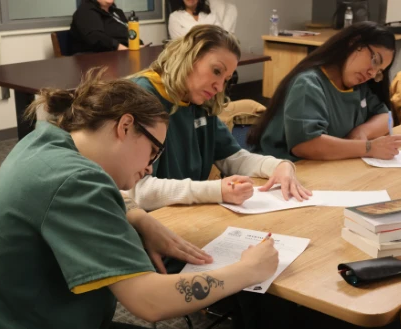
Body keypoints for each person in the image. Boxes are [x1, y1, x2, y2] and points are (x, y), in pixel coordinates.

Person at [0, 67, 278, 329]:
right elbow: (149, 302)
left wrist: (137, 217)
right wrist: (249, 270)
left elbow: (74, 199)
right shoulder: (76, 181)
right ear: (125, 126)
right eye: (154, 151)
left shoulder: (45, 143)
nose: (149, 167)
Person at [126, 25, 311, 212]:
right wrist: (215, 190)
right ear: (190, 57)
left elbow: (232, 159)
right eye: (216, 71)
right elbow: (135, 192)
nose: (219, 87)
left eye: (226, 79)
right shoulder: (139, 97)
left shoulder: (198, 100)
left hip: (186, 216)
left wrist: (278, 166)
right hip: (145, 224)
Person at [249, 22, 401, 161]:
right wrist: (368, 148)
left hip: (328, 167)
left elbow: (386, 117)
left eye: (379, 71)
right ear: (354, 42)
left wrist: (360, 132)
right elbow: (305, 146)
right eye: (375, 60)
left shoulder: (358, 85)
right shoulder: (309, 83)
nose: (372, 72)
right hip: (283, 172)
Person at [69, 0, 141, 54]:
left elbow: (129, 33)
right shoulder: (85, 11)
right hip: (95, 62)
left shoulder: (117, 12)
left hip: (123, 57)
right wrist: (122, 48)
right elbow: (96, 37)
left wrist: (138, 45)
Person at [168, 0, 237, 39]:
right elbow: (180, 44)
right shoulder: (175, 17)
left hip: (212, 57)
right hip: (187, 60)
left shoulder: (211, 15)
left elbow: (220, 37)